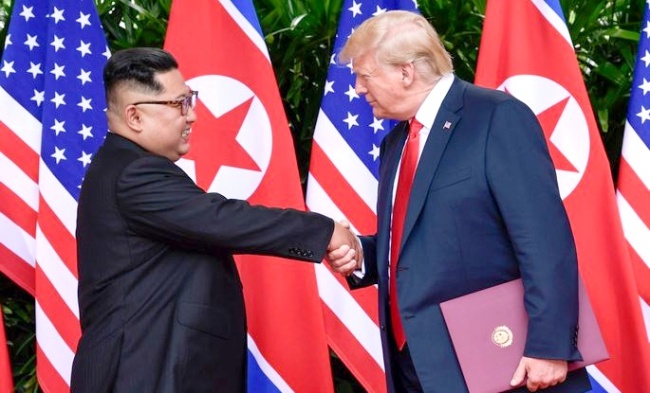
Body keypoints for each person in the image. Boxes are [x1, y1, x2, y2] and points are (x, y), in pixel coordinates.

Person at [326, 11, 590, 393]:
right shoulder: (396, 142)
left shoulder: (497, 117)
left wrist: (550, 346)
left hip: (504, 364)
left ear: (405, 72)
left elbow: (544, 239)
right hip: (417, 366)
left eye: (365, 76)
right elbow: (421, 239)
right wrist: (362, 254)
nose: (358, 88)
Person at [71, 47, 358, 393]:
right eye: (179, 104)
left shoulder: (122, 166)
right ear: (134, 117)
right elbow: (220, 220)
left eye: (190, 99)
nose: (191, 116)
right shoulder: (134, 173)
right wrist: (325, 231)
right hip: (142, 373)